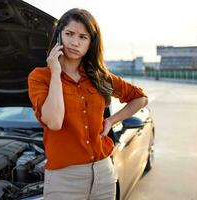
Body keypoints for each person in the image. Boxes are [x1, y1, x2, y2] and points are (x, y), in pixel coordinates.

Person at [27, 8, 148, 200]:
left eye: (83, 37)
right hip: (64, 179)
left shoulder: (99, 77)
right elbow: (55, 122)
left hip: (104, 172)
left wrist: (112, 120)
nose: (75, 42)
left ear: (91, 43)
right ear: (58, 37)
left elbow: (140, 98)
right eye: (69, 34)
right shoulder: (41, 77)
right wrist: (56, 72)